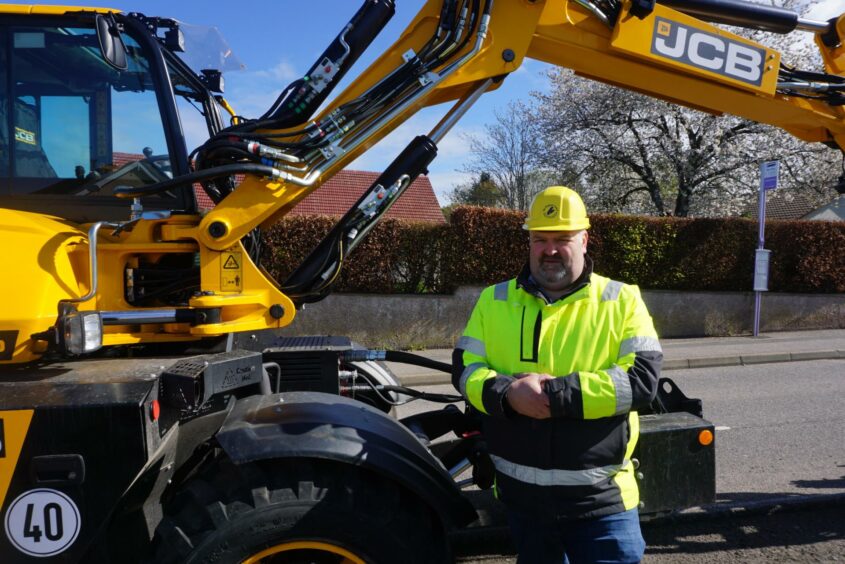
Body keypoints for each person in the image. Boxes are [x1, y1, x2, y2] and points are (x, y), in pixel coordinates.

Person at [452, 186, 662, 563]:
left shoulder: (621, 299)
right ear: (529, 242)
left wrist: (554, 396)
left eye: (562, 238)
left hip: (601, 504)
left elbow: (641, 381)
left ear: (584, 239)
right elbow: (465, 371)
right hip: (524, 504)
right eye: (540, 239)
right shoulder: (493, 299)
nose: (549, 249)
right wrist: (508, 394)